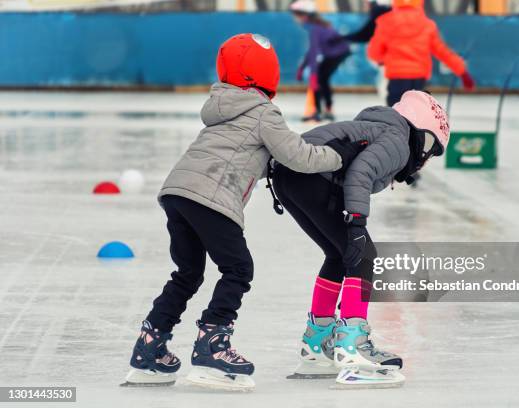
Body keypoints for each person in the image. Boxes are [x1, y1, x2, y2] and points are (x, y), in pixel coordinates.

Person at [122, 33, 365, 391]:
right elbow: (299, 155)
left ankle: (150, 347)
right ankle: (212, 347)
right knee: (238, 269)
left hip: (177, 192)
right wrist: (341, 155)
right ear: (268, 74)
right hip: (211, 198)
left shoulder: (220, 107)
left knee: (187, 273)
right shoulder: (264, 112)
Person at [272, 90, 449, 388]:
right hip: (311, 177)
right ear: (418, 129)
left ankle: (317, 343)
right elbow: (360, 173)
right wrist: (356, 223)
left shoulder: (379, 127)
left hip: (289, 177)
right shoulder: (398, 139)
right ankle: (352, 345)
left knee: (339, 254)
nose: (425, 157)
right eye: (430, 145)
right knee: (364, 255)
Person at [367, 0, 475, 106]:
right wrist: (463, 73)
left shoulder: (385, 22)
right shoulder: (427, 25)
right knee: (414, 111)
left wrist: (382, 60)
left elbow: (374, 52)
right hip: (418, 77)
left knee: (395, 113)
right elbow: (442, 52)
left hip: (397, 76)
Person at [291, 0, 351, 122]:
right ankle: (325, 110)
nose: (295, 18)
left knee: (318, 79)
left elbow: (314, 52)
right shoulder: (315, 25)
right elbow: (312, 50)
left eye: (296, 15)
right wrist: (303, 67)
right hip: (336, 53)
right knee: (321, 79)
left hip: (337, 54)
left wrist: (312, 74)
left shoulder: (315, 28)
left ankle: (319, 112)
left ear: (305, 15)